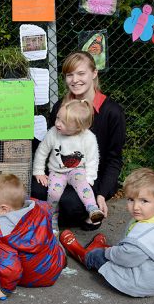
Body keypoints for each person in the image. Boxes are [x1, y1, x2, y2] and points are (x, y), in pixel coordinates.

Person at [32, 51, 125, 230]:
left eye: (81, 73)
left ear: (94, 73)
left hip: (90, 176)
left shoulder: (112, 112)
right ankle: (54, 217)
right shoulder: (60, 106)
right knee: (36, 189)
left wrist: (102, 194)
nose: (75, 80)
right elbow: (51, 144)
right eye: (69, 75)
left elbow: (114, 160)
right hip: (59, 171)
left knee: (71, 202)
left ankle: (87, 211)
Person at [60, 168, 154, 297]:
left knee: (99, 255)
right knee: (121, 250)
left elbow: (125, 258)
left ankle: (82, 254)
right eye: (131, 199)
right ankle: (104, 248)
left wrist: (107, 252)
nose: (136, 207)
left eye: (144, 201)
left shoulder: (140, 240)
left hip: (137, 284)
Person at [0, 174, 65, 302]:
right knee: (50, 239)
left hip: (29, 278)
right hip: (54, 268)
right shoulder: (39, 207)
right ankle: (63, 258)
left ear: (4, 209)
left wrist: (4, 289)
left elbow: (10, 267)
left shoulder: (1, 231)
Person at [33, 99, 102, 235]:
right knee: (53, 193)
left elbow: (93, 159)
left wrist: (90, 177)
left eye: (64, 122)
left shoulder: (88, 137)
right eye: (58, 118)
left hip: (77, 170)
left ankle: (93, 209)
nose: (58, 123)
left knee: (83, 185)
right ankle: (52, 219)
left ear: (78, 127)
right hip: (57, 172)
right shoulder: (53, 133)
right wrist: (39, 171)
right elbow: (42, 151)